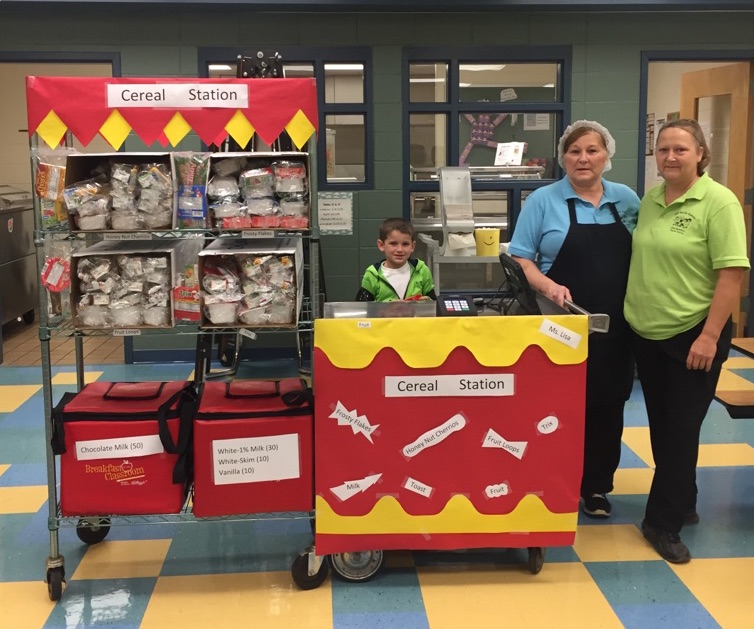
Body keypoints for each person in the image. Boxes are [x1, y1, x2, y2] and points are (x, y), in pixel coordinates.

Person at [624, 119, 749, 564]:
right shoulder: (652, 200)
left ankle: (662, 523)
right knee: (665, 425)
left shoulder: (718, 202)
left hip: (693, 334)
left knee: (680, 430)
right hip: (648, 332)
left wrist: (710, 336)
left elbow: (731, 274)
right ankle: (685, 499)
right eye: (663, 149)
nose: (670, 157)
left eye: (680, 149)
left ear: (700, 154)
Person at [507, 120, 640, 519]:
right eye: (575, 151)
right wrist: (548, 286)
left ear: (606, 155)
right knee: (557, 406)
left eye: (592, 150)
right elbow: (521, 258)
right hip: (560, 324)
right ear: (563, 157)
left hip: (616, 324)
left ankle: (597, 487)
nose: (583, 158)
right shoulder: (542, 201)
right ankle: (553, 483)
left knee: (608, 406)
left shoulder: (627, 199)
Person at [356, 217, 437, 302]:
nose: (400, 249)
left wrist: (428, 302)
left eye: (405, 244)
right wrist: (388, 306)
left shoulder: (421, 270)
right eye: (393, 243)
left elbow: (434, 302)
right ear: (381, 245)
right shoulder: (373, 275)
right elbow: (362, 306)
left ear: (412, 246)